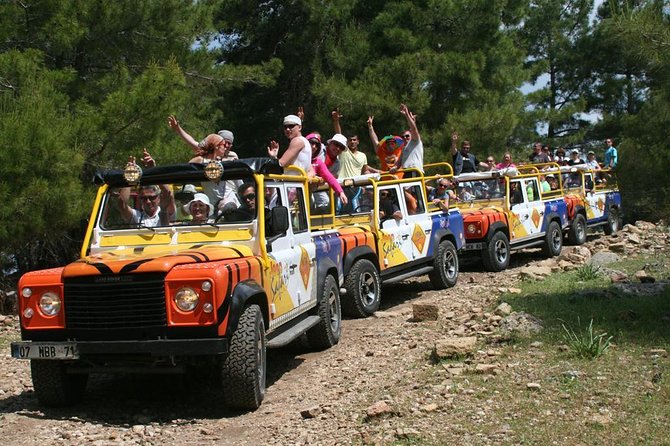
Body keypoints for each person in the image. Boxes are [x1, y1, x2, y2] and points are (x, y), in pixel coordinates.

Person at [306, 133, 348, 212]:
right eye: (336, 144)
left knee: (323, 204)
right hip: (296, 186)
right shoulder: (320, 149)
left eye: (341, 147)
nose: (338, 148)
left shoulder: (336, 164)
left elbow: (329, 177)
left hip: (315, 187)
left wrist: (340, 192)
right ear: (330, 143)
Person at [167, 115, 237, 160]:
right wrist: (178, 129)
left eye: (229, 143)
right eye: (224, 142)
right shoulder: (206, 155)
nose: (226, 146)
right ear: (217, 143)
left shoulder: (233, 156)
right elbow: (191, 142)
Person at [331, 111, 377, 178]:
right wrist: (336, 121)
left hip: (356, 186)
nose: (352, 142)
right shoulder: (344, 151)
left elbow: (365, 171)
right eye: (350, 140)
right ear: (347, 142)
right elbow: (339, 134)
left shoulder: (363, 155)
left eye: (354, 140)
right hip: (342, 185)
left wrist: (373, 175)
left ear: (358, 142)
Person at [394, 103, 424, 176]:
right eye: (403, 137)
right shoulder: (404, 148)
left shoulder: (415, 142)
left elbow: (413, 129)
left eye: (407, 136)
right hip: (407, 172)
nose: (405, 138)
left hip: (414, 171)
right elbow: (398, 163)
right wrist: (394, 168)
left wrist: (407, 115)